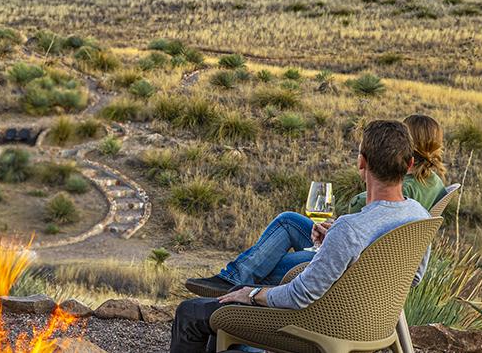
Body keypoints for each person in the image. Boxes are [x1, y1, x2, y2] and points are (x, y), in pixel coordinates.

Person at [169, 120, 432, 353]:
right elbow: (415, 278)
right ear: (409, 165)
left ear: (361, 162)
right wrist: (337, 252)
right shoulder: (419, 216)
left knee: (190, 312)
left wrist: (252, 294)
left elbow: (300, 295)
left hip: (319, 325)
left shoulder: (350, 229)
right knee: (231, 302)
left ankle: (237, 287)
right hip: (374, 325)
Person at [185, 114, 448, 296]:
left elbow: (362, 218)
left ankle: (237, 307)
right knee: (289, 220)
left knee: (264, 272)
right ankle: (233, 279)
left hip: (348, 265)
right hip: (356, 254)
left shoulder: (404, 194)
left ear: (362, 163)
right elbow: (408, 270)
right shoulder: (421, 206)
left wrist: (340, 236)